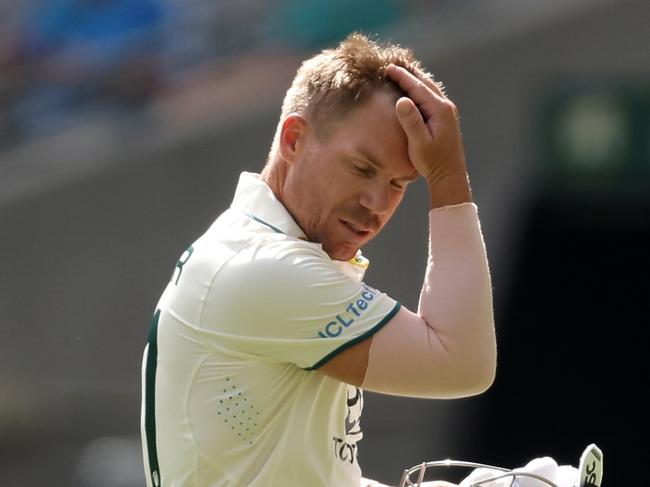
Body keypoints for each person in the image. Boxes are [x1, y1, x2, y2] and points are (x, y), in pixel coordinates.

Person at [140, 33, 497, 487]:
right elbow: (462, 365)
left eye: (399, 183)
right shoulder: (269, 268)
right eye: (362, 168)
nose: (376, 202)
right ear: (293, 140)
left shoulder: (262, 251)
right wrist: (446, 175)